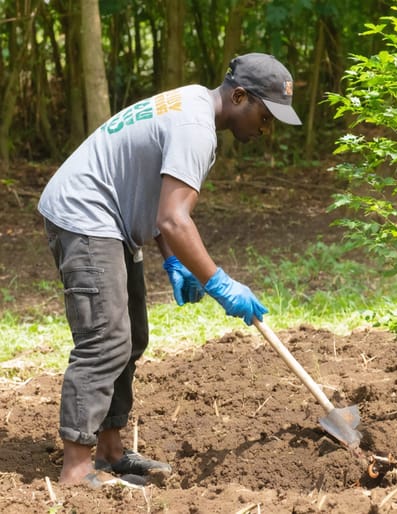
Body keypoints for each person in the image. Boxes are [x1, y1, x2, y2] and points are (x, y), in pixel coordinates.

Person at [38, 53, 302, 488]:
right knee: (105, 338)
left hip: (113, 219)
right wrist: (220, 284)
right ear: (239, 96)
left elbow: (160, 198)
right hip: (85, 214)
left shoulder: (195, 106)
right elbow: (174, 220)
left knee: (132, 335)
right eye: (265, 114)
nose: (267, 127)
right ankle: (76, 470)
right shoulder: (195, 128)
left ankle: (110, 451)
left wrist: (174, 259)